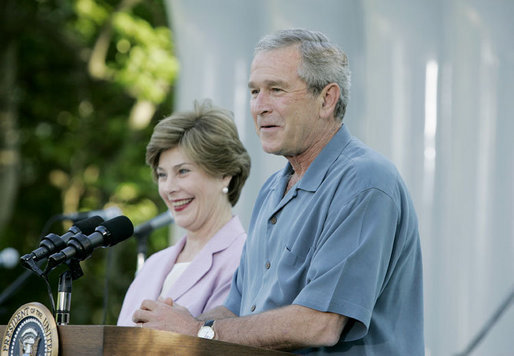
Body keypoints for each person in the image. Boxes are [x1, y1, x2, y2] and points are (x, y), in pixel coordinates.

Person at [132, 29, 424, 355]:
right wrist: (174, 328)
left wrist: (198, 331)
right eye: (255, 91)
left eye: (276, 90)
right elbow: (237, 311)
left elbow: (320, 324)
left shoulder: (365, 181)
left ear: (326, 99)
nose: (259, 106)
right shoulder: (271, 190)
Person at [117, 99, 251, 326]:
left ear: (224, 174)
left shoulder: (246, 259)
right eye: (162, 175)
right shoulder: (153, 265)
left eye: (183, 171)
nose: (169, 187)